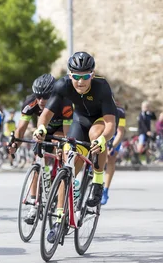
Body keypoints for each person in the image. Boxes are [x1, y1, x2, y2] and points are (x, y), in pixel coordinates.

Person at [33, 51, 117, 242]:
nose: (80, 81)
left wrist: (103, 139)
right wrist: (40, 129)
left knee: (96, 137)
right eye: (76, 77)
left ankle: (97, 180)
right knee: (69, 165)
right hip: (79, 121)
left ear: (92, 75)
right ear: (69, 75)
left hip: (101, 120)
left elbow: (111, 125)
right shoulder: (62, 85)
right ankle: (60, 217)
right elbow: (45, 115)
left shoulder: (102, 87)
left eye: (85, 76)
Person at [9, 74, 73, 224]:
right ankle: (33, 205)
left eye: (46, 97)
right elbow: (20, 129)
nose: (41, 101)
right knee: (36, 162)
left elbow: (67, 133)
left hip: (60, 130)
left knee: (64, 154)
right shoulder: (30, 102)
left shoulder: (65, 102)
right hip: (42, 130)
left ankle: (61, 189)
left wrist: (64, 147)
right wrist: (15, 146)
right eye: (38, 97)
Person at [101, 103, 126, 205]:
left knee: (111, 158)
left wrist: (112, 146)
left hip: (115, 136)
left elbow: (120, 132)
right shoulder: (99, 107)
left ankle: (105, 190)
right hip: (102, 133)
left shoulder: (120, 112)